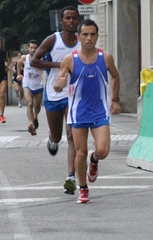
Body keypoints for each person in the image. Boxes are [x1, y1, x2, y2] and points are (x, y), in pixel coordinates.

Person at [54, 19, 121, 204]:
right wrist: (59, 85)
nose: (89, 38)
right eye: (85, 35)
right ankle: (83, 188)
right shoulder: (70, 59)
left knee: (103, 150)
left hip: (100, 111)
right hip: (79, 113)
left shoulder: (105, 57)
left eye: (92, 34)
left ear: (97, 36)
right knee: (80, 152)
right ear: (78, 37)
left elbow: (115, 76)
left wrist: (115, 99)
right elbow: (59, 81)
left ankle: (94, 160)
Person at [31, 6, 80, 195]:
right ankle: (52, 140)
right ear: (61, 21)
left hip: (73, 94)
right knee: (58, 135)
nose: (71, 21)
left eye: (74, 18)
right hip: (53, 94)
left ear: (77, 20)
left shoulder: (81, 41)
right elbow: (35, 60)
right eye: (67, 18)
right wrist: (57, 65)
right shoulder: (53, 39)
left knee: (71, 134)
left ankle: (70, 176)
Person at [16, 40, 43, 136]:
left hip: (38, 85)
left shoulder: (41, 58)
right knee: (30, 103)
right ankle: (31, 124)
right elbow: (18, 63)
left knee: (37, 107)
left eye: (35, 48)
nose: (33, 49)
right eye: (31, 47)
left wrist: (41, 66)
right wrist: (19, 74)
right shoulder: (24, 58)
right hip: (27, 84)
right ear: (28, 48)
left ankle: (35, 116)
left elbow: (45, 68)